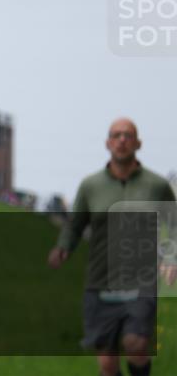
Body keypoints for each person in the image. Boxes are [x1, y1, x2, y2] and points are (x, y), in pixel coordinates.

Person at [48, 118, 176, 376]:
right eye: (116, 135)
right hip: (100, 282)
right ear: (107, 143)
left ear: (137, 143)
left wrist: (171, 258)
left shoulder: (156, 185)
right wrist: (63, 247)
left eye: (128, 135)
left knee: (136, 344)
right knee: (107, 364)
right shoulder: (90, 186)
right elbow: (75, 225)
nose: (122, 140)